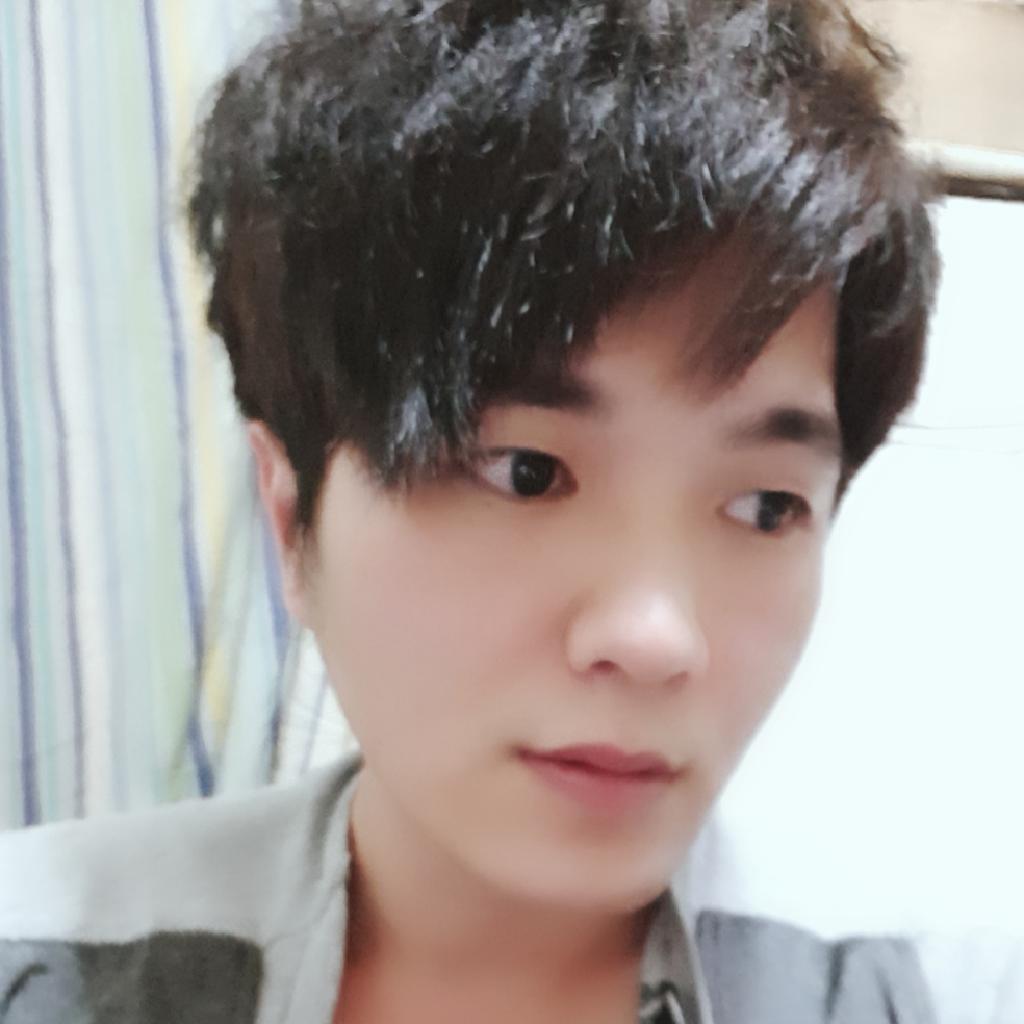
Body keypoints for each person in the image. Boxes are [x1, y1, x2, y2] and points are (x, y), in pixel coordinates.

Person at [0, 1, 940, 1021]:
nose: (654, 639)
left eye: (763, 505)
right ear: (291, 516)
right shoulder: (41, 962)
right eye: (527, 473)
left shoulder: (919, 994)